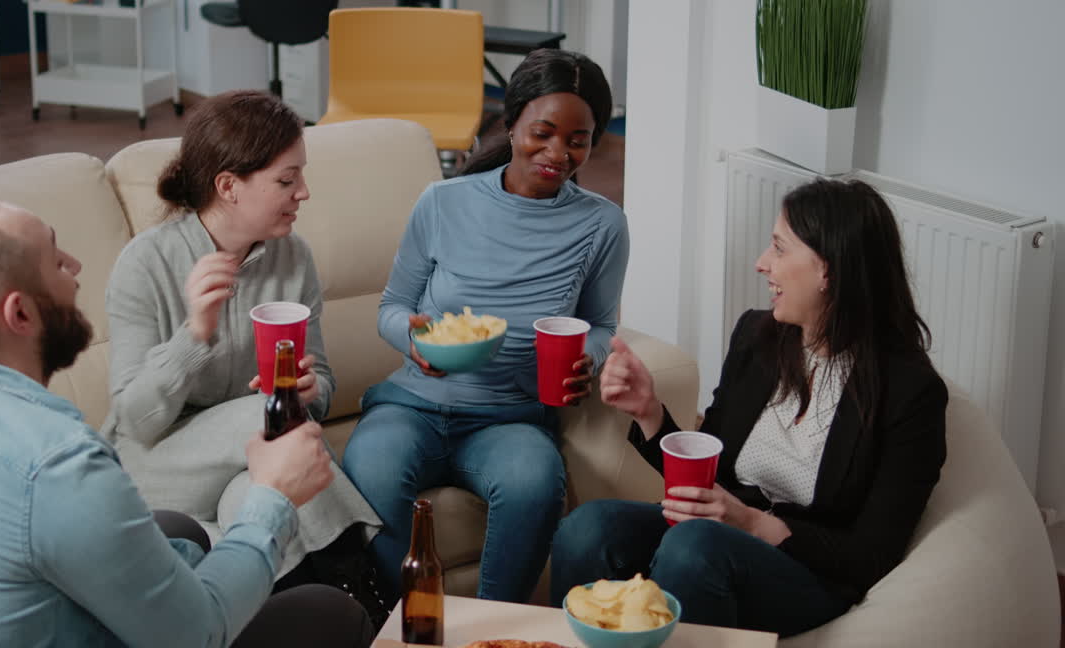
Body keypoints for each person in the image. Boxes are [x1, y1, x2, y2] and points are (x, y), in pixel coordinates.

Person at [0, 200, 374, 648]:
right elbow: (197, 633)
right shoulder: (58, 463)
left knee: (177, 530)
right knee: (330, 613)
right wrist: (273, 496)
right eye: (56, 261)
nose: (75, 267)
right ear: (20, 314)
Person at [550, 180, 948, 637]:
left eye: (779, 248)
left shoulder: (910, 392)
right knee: (588, 527)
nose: (763, 263)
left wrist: (752, 523)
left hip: (806, 570)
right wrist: (650, 413)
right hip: (715, 536)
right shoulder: (758, 338)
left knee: (694, 545)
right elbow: (710, 477)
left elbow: (872, 555)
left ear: (829, 270)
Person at [341, 49, 629, 603]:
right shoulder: (443, 202)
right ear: (512, 121)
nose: (557, 153)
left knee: (534, 483)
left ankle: (493, 630)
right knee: (369, 468)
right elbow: (392, 307)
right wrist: (415, 338)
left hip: (511, 415)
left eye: (578, 139)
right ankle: (401, 620)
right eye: (542, 132)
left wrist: (585, 357)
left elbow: (600, 324)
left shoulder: (603, 224)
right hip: (413, 402)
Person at [101, 91, 383, 613]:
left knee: (255, 497)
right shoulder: (146, 263)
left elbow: (318, 385)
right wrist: (194, 334)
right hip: (156, 466)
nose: (304, 192)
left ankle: (354, 608)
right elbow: (134, 421)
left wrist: (311, 387)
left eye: (301, 175)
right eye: (286, 179)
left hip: (249, 459)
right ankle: (383, 596)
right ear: (228, 186)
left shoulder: (293, 258)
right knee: (268, 415)